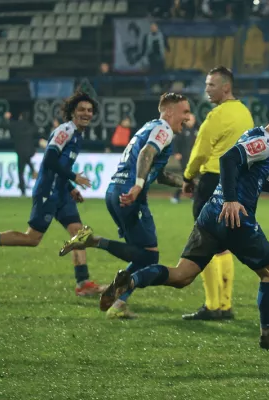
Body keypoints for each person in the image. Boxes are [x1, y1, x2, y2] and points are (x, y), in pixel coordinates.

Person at [98, 104, 269, 349]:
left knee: (181, 275)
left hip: (210, 215)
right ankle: (268, 332)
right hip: (235, 219)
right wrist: (230, 200)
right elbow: (227, 159)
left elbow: (248, 175)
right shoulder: (267, 143)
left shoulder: (253, 134)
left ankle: (130, 282)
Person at [59, 93, 192, 318]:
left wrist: (184, 184)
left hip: (115, 191)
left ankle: (117, 301)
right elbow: (146, 153)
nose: (188, 118)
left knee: (141, 256)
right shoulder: (164, 129)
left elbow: (158, 173)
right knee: (149, 257)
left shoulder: (149, 127)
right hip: (130, 195)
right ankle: (93, 241)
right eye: (185, 112)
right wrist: (138, 186)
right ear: (169, 112)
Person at [0, 91, 104, 296]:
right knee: (32, 239)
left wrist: (70, 188)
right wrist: (73, 177)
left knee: (78, 232)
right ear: (72, 112)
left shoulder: (78, 134)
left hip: (61, 193)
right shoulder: (66, 131)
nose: (86, 113)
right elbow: (49, 160)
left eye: (89, 110)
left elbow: (59, 165)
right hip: (48, 192)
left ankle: (83, 283)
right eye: (82, 110)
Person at [181, 66, 254, 321]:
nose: (207, 89)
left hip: (212, 180)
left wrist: (189, 176)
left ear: (226, 87)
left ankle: (212, 306)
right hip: (237, 184)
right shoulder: (246, 114)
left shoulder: (216, 116)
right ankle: (225, 304)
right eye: (206, 84)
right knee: (225, 245)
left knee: (205, 244)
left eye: (211, 85)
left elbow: (201, 151)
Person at [1, 111, 38, 196]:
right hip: (29, 151)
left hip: (20, 151)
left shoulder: (16, 125)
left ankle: (23, 191)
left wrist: (6, 118)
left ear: (20, 116)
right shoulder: (30, 126)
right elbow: (36, 133)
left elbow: (3, 126)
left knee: (20, 172)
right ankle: (33, 170)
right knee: (27, 161)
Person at [171, 113, 198, 203]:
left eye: (193, 119)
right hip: (185, 158)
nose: (192, 121)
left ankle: (191, 196)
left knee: (190, 177)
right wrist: (176, 152)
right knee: (186, 177)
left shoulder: (196, 131)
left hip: (194, 158)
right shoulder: (181, 130)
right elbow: (175, 142)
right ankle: (177, 196)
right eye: (190, 119)